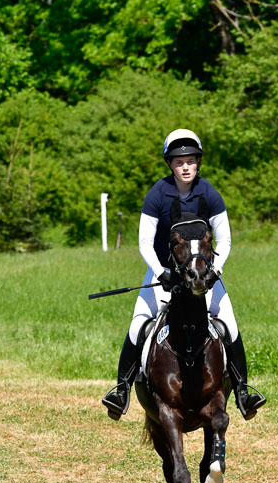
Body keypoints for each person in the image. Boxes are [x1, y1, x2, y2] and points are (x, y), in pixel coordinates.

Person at [102, 128, 266, 421]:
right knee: (138, 325)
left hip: (204, 275)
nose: (186, 167)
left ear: (198, 162)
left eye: (190, 161)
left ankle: (243, 391)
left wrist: (216, 271)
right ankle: (121, 390)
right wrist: (160, 272)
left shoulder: (209, 193)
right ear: (170, 164)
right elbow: (144, 242)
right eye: (179, 162)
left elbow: (225, 240)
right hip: (164, 274)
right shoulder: (157, 194)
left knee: (229, 324)